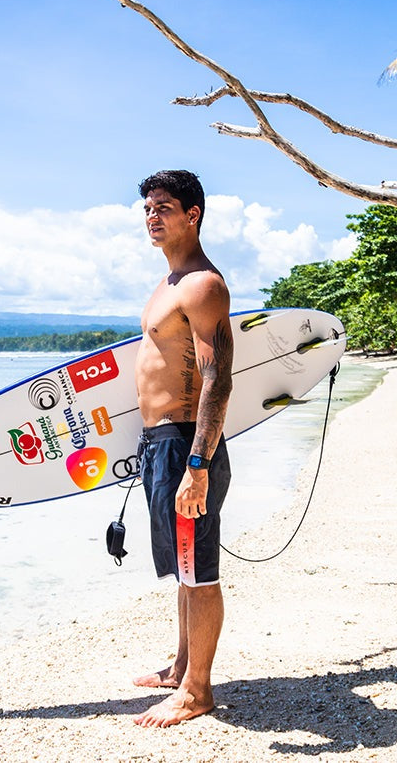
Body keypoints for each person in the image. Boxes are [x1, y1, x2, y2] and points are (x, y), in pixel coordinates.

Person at [131, 169, 233, 728]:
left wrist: (197, 463)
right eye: (148, 208)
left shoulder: (201, 284)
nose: (152, 216)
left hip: (186, 445)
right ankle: (181, 667)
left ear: (192, 214)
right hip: (160, 444)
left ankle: (197, 692)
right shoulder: (170, 282)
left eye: (164, 207)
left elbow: (218, 378)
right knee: (181, 566)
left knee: (199, 569)